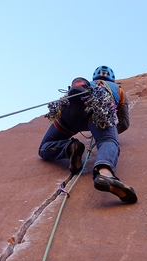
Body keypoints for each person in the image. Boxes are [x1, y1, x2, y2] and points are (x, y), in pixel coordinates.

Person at [38, 66, 137, 204]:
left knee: (45, 147)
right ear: (112, 79)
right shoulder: (118, 90)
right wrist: (105, 133)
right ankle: (105, 174)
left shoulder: (87, 85)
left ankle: (70, 147)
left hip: (68, 112)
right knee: (107, 141)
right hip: (98, 110)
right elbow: (124, 123)